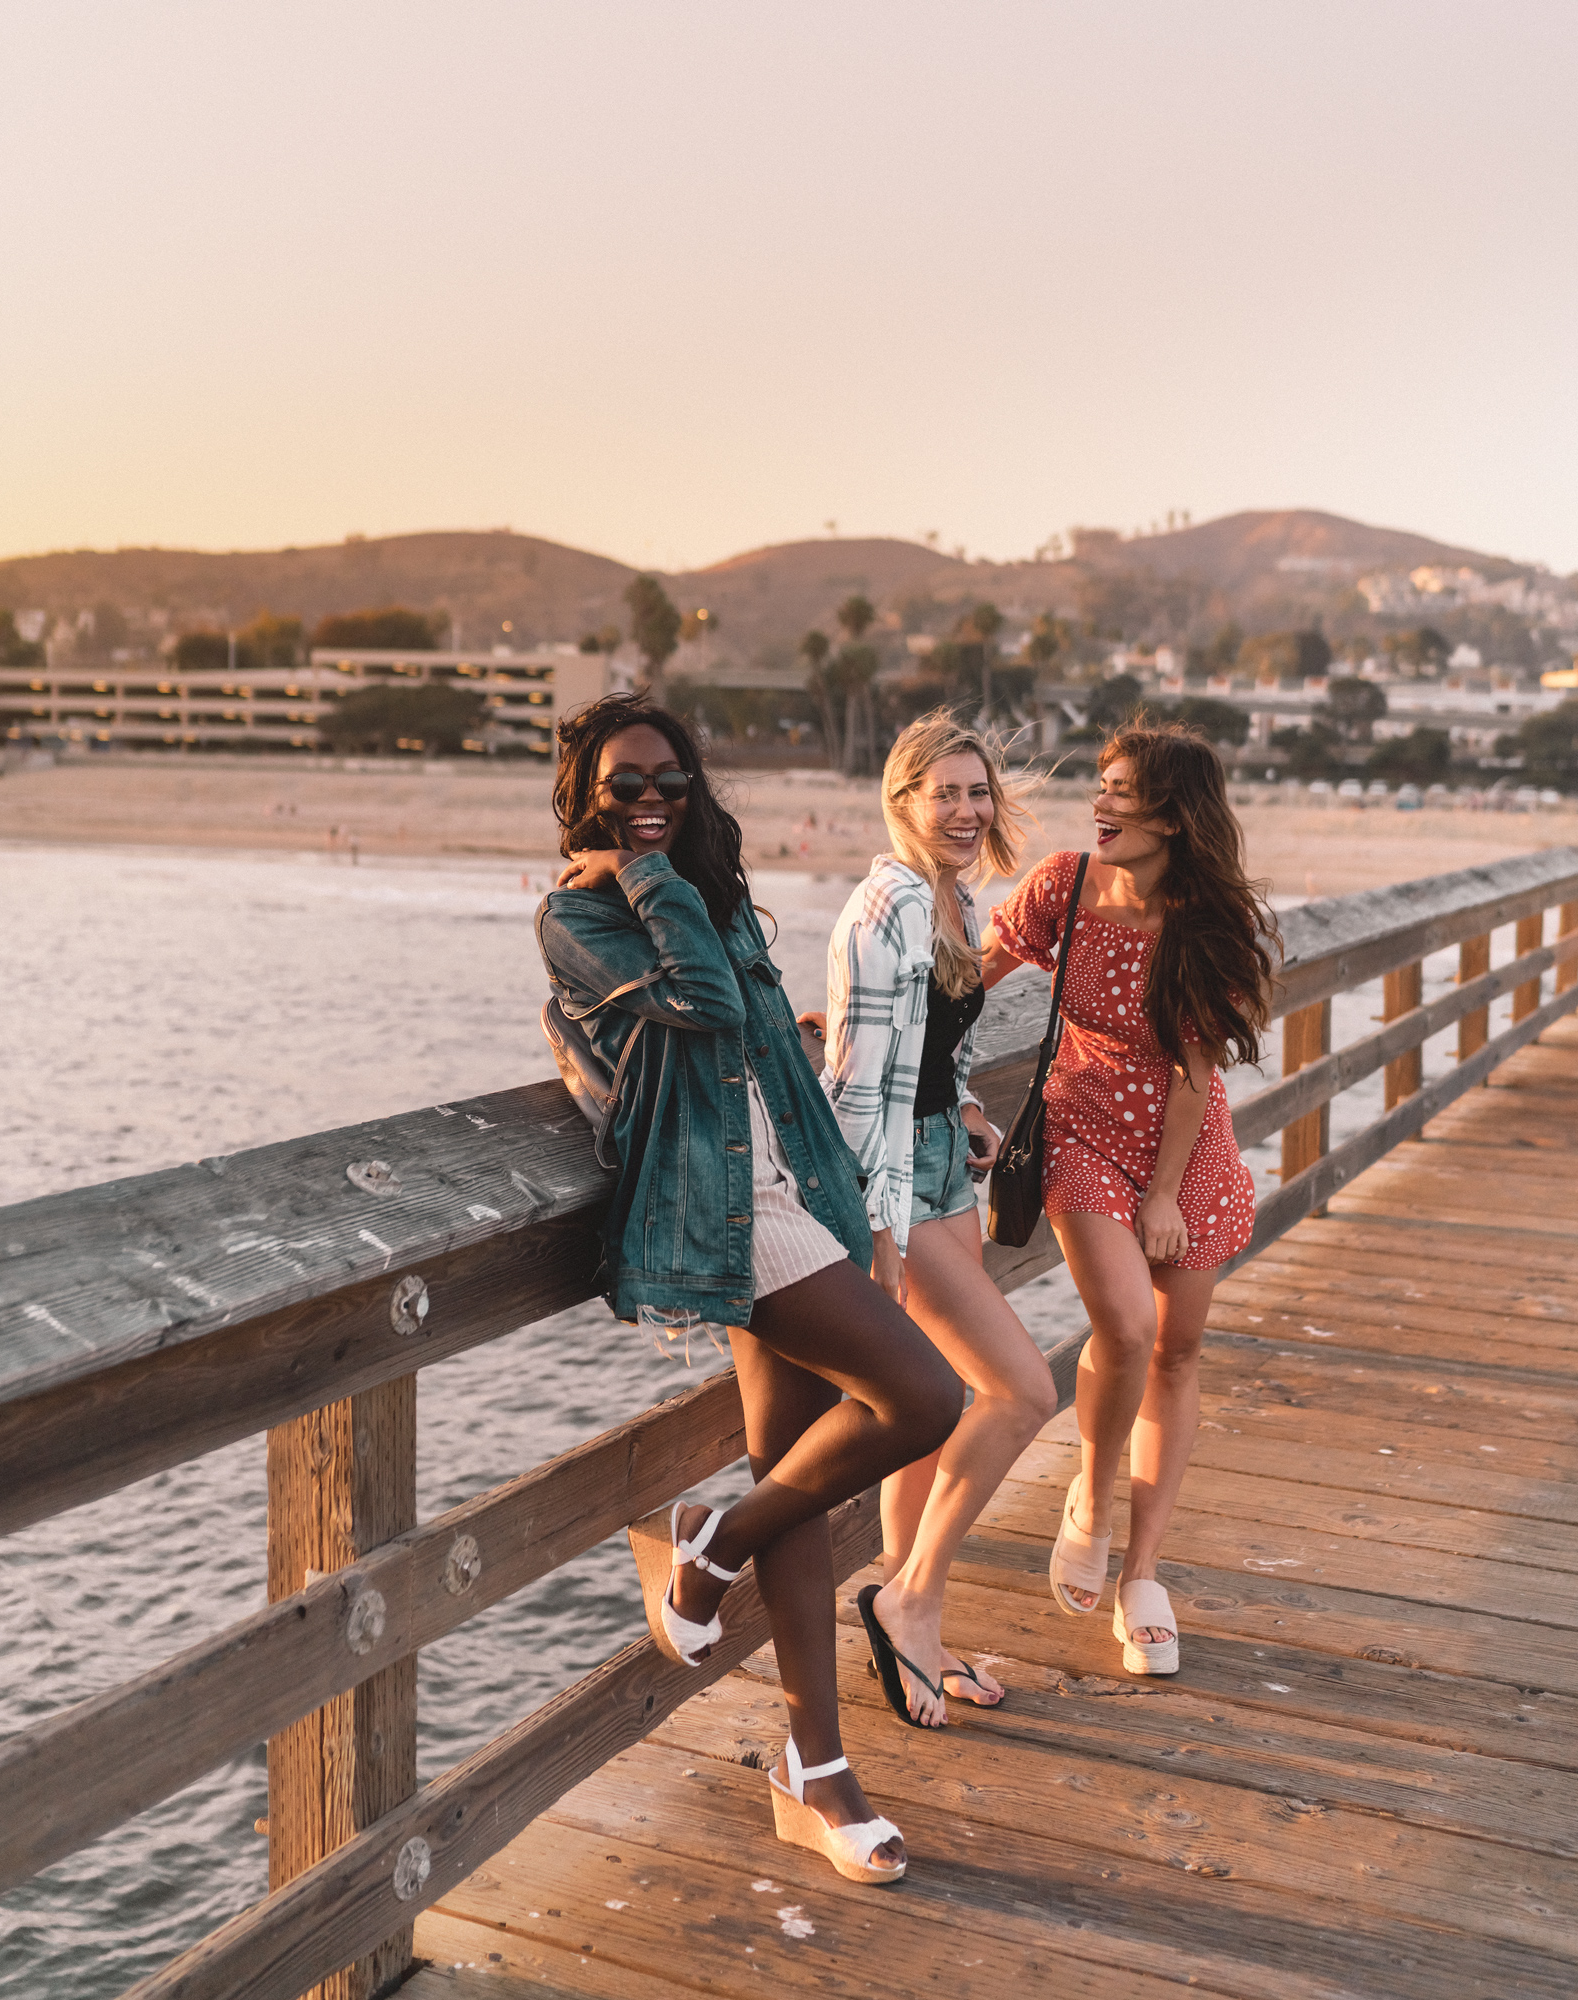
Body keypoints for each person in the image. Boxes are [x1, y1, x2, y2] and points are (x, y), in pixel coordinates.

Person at [536, 693, 962, 1884]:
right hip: (728, 1213)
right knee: (927, 1397)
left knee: (794, 1475)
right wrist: (640, 871)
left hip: (798, 1187)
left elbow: (754, 1033)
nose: (651, 797)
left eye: (668, 776)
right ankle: (710, 1542)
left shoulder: (708, 891)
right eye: (623, 784)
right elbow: (705, 1005)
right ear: (585, 799)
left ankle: (813, 1767)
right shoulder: (578, 909)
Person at [980, 721, 1277, 1674]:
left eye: (1122, 791)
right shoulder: (1063, 886)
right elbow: (969, 979)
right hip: (1077, 1127)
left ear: (1176, 818)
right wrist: (860, 1007)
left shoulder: (1202, 920)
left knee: (1179, 1352)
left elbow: (1194, 1068)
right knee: (1126, 1327)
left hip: (1183, 1146)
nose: (1099, 803)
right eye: (1099, 786)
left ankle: (1144, 1574)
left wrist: (1164, 1195)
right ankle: (1092, 1496)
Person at [798, 711, 1058, 1728]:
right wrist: (881, 1239)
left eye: (976, 791)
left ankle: (917, 1622)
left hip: (946, 1158)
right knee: (1021, 1389)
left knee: (930, 1408)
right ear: (900, 800)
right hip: (894, 1181)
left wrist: (976, 1111)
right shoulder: (882, 914)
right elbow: (859, 1095)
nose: (964, 809)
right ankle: (901, 1600)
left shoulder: (952, 899)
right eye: (942, 792)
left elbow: (928, 1052)